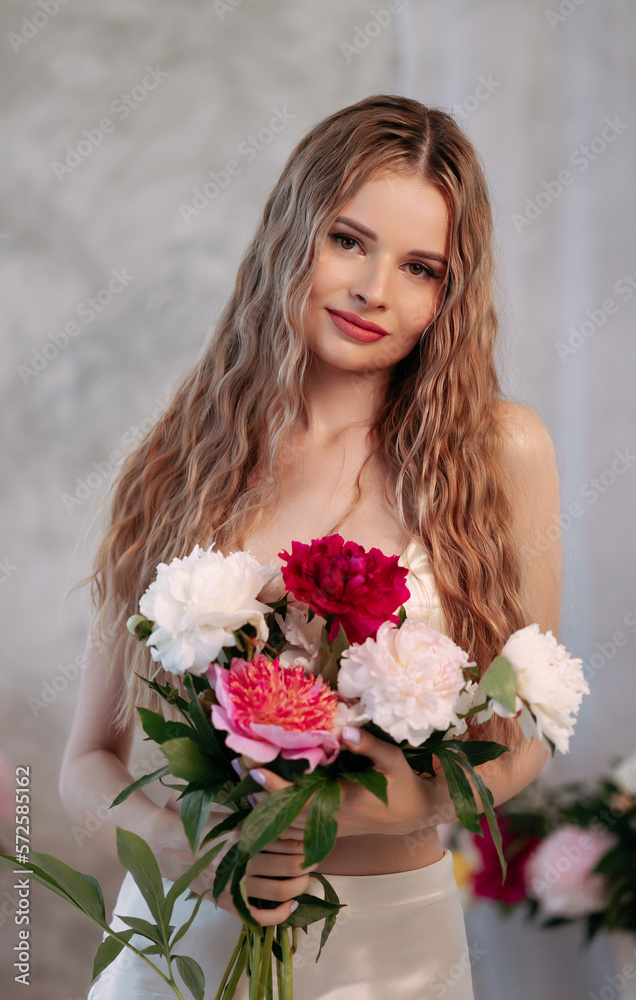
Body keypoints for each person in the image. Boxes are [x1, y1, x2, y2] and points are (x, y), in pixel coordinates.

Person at [59, 93, 562, 999]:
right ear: (293, 230)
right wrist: (208, 847)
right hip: (187, 932)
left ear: (449, 295)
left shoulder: (500, 451)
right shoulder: (180, 457)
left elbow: (523, 732)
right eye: (348, 240)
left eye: (420, 267)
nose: (375, 290)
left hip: (397, 953)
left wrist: (343, 813)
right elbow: (85, 764)